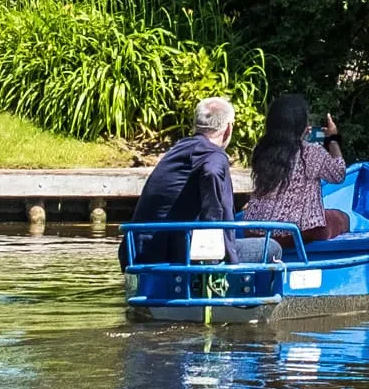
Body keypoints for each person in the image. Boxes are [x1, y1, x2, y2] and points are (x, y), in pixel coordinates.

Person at [125, 97, 279, 266]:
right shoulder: (214, 156)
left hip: (138, 250)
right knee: (271, 247)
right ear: (228, 128)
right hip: (178, 253)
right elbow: (211, 171)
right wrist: (227, 258)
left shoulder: (178, 149)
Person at [242, 93, 349, 247]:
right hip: (296, 234)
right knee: (343, 218)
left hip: (255, 231)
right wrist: (332, 140)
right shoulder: (310, 152)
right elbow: (339, 174)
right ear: (303, 125)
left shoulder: (261, 150)